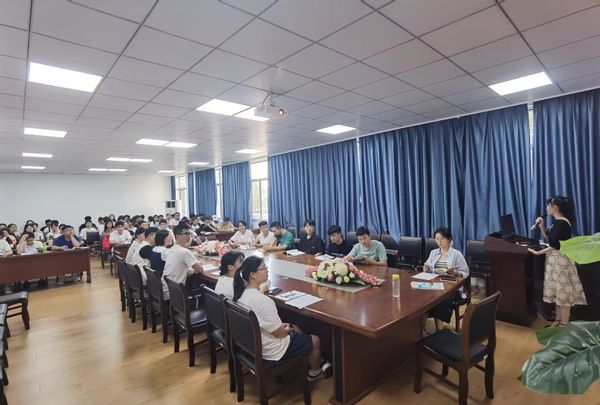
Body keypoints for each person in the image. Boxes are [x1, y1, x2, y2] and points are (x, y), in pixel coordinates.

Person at [232, 256, 331, 381]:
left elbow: (264, 323)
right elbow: (280, 334)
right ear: (253, 274)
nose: (267, 270)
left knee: (296, 328)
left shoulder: (240, 294)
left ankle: (313, 359)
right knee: (314, 339)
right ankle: (315, 371)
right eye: (264, 268)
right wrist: (288, 329)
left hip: (250, 344)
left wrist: (282, 327)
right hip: (272, 350)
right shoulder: (264, 301)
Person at [528, 196, 586, 326]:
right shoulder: (557, 222)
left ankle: (564, 324)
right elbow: (550, 239)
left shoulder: (563, 223)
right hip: (554, 261)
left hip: (561, 262)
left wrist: (538, 252)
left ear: (555, 207)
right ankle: (557, 321)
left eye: (548, 205)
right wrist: (542, 226)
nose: (547, 208)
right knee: (558, 293)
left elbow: (555, 245)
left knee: (563, 293)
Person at [423, 227, 469, 329]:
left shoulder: (456, 254)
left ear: (449, 239)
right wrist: (426, 269)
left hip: (451, 286)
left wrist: (456, 273)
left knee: (439, 301)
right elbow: (429, 269)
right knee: (423, 299)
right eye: (436, 239)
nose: (439, 242)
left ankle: (439, 330)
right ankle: (420, 329)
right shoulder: (433, 252)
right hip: (435, 285)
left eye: (442, 239)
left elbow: (466, 272)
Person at [161, 225, 204, 300]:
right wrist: (194, 270)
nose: (189, 236)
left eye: (189, 234)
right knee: (204, 288)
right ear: (178, 236)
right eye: (186, 234)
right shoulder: (184, 252)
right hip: (174, 294)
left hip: (166, 288)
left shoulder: (172, 248)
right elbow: (200, 270)